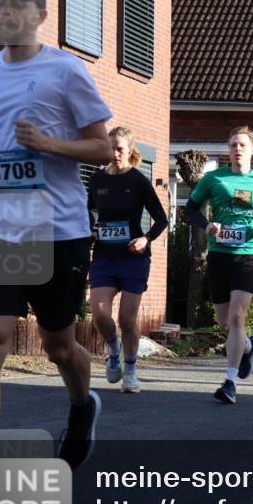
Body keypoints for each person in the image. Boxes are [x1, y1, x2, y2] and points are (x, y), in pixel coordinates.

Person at [0, 0, 113, 469]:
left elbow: (102, 148)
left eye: (17, 7)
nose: (6, 15)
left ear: (40, 16)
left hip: (58, 229)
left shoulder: (66, 70)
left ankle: (81, 406)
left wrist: (49, 144)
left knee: (58, 345)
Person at [186, 126, 253, 404]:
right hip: (219, 254)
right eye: (233, 145)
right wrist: (207, 224)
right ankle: (249, 345)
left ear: (252, 150)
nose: (237, 149)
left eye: (242, 145)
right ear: (228, 150)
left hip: (250, 254)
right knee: (226, 323)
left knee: (238, 317)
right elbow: (190, 208)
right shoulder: (214, 178)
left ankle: (230, 382)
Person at [88, 126, 168, 394]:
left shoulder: (138, 181)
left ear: (130, 150)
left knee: (127, 319)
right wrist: (89, 230)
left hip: (133, 258)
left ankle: (131, 371)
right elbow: (87, 211)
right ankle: (114, 349)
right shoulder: (97, 180)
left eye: (120, 149)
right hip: (104, 256)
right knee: (100, 314)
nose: (115, 154)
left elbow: (161, 219)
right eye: (110, 148)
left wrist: (146, 239)